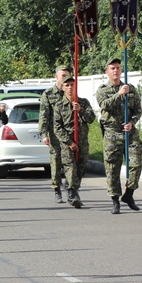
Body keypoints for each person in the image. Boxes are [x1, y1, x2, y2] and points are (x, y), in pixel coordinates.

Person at [96, 58, 142, 214]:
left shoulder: (131, 89)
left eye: (117, 68)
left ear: (121, 70)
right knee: (112, 168)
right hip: (112, 132)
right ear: (107, 72)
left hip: (129, 131)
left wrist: (132, 122)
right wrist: (119, 94)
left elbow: (138, 109)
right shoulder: (103, 90)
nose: (115, 71)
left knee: (136, 163)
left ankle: (129, 194)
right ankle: (115, 198)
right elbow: (104, 105)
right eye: (112, 68)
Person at [52, 75, 95, 207]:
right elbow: (57, 127)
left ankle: (72, 187)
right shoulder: (59, 106)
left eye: (72, 84)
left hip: (82, 141)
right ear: (63, 88)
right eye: (67, 85)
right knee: (70, 167)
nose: (70, 87)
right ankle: (72, 193)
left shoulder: (84, 102)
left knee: (80, 168)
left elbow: (91, 119)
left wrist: (80, 111)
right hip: (67, 144)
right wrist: (69, 142)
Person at [40, 65, 71, 203]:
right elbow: (44, 115)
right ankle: (57, 189)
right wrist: (44, 134)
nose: (65, 78)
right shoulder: (48, 94)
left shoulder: (71, 91)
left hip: (70, 133)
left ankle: (70, 186)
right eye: (63, 75)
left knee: (72, 162)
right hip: (54, 133)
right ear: (56, 76)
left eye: (67, 75)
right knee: (56, 162)